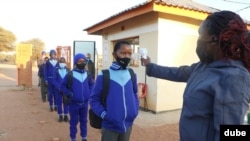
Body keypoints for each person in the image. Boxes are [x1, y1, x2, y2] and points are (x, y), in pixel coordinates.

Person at [140, 10, 250, 141]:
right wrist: (149, 66)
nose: (198, 41)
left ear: (215, 40)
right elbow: (177, 73)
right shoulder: (202, 66)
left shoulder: (234, 77)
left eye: (200, 35)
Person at [90, 40, 139, 141]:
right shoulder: (104, 75)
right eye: (122, 53)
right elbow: (94, 100)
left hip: (128, 125)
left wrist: (135, 111)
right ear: (114, 54)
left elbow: (135, 93)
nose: (126, 56)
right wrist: (105, 115)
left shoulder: (131, 74)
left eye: (129, 53)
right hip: (110, 126)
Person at [60, 53, 95, 141]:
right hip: (73, 104)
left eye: (83, 61)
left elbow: (92, 84)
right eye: (80, 61)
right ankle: (73, 138)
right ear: (76, 62)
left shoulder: (88, 74)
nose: (82, 63)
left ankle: (84, 137)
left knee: (84, 121)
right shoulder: (70, 74)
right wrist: (70, 94)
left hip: (85, 104)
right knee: (73, 122)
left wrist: (89, 93)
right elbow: (62, 86)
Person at [53, 57, 70, 122]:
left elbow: (69, 80)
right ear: (59, 63)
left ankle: (66, 115)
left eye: (63, 62)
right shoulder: (56, 70)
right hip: (58, 89)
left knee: (66, 102)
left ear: (65, 63)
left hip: (65, 89)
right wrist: (59, 87)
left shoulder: (68, 70)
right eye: (61, 62)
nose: (62, 63)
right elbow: (54, 80)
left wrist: (67, 88)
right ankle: (60, 115)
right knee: (59, 102)